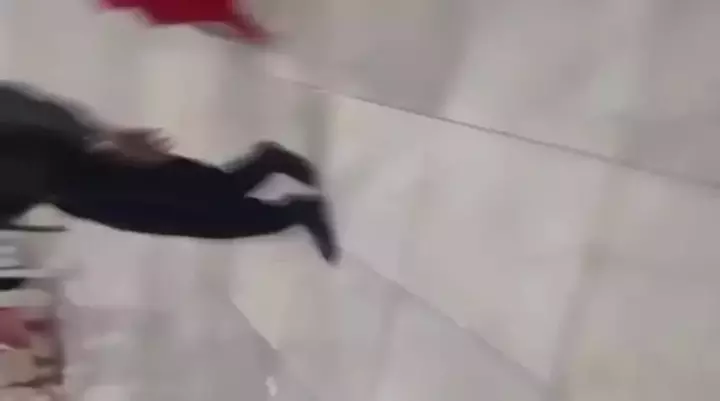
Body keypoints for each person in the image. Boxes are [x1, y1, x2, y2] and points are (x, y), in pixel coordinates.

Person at [0, 83, 339, 263]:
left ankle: (281, 188)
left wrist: (103, 134)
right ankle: (282, 195)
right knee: (179, 219)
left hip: (74, 161)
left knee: (198, 195)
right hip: (59, 192)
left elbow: (25, 108)